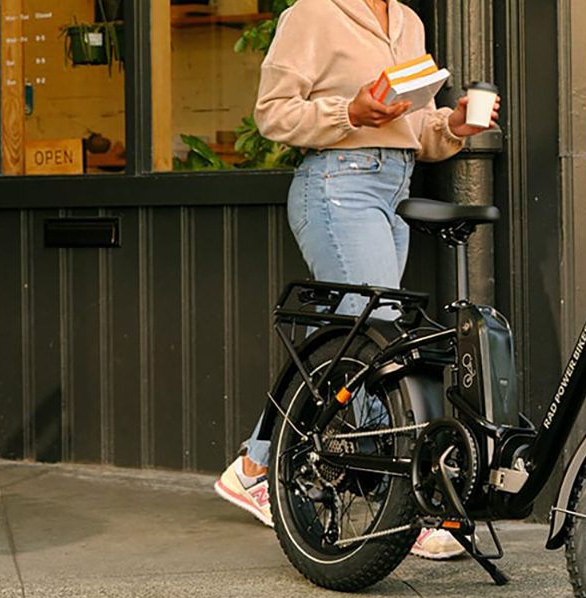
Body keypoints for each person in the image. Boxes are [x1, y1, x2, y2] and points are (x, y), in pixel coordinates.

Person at [213, 0, 499, 561]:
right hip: (337, 186)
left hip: (393, 191)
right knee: (380, 343)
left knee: (356, 341)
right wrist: (350, 112)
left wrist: (455, 124)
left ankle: (255, 465)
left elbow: (419, 129)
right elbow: (272, 114)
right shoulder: (313, 13)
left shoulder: (408, 21)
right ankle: (408, 511)